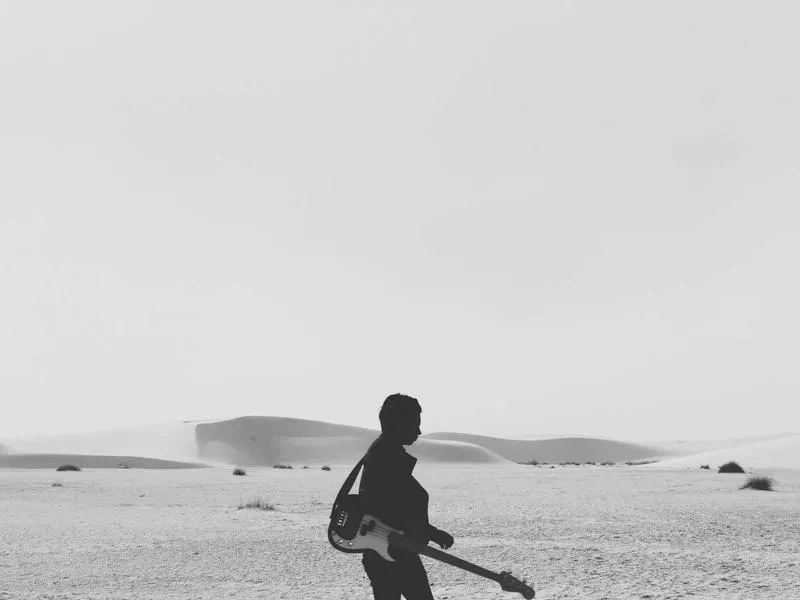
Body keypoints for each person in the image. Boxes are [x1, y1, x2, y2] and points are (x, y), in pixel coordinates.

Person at [359, 393, 455, 600]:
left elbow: (398, 509)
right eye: (414, 424)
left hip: (393, 551)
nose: (419, 431)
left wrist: (432, 533)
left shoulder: (385, 453)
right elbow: (391, 512)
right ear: (397, 423)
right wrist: (432, 533)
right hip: (391, 554)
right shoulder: (385, 459)